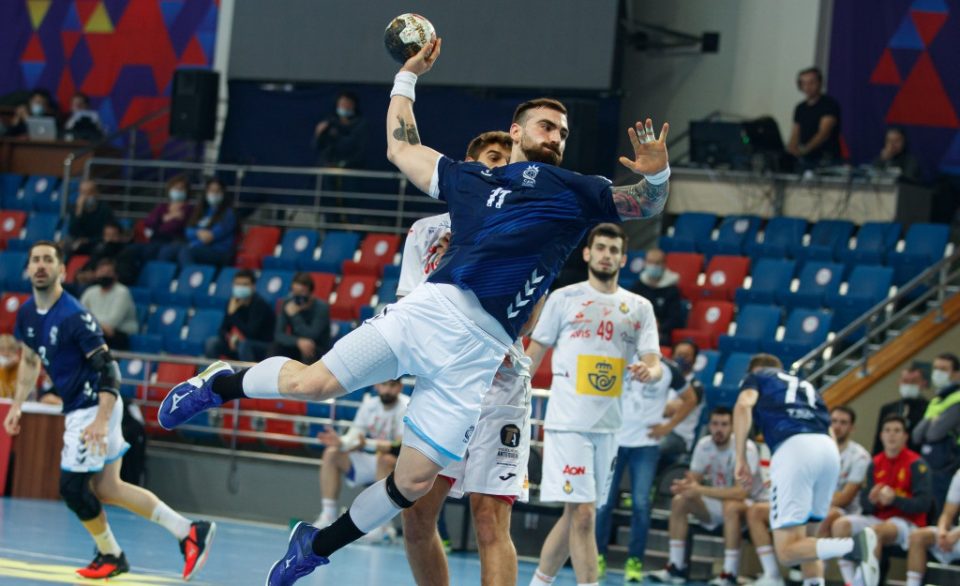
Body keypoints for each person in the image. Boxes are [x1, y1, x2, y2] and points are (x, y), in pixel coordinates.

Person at [156, 39, 671, 586]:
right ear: (516, 132)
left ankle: (315, 545)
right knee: (314, 384)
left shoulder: (575, 191)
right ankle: (221, 384)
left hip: (483, 351)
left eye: (563, 132)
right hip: (429, 311)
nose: (557, 137)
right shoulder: (470, 179)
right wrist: (406, 76)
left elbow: (641, 203)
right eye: (547, 126)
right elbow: (403, 148)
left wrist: (657, 177)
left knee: (413, 483)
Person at [2, 241, 215, 580]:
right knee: (108, 489)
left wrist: (100, 421)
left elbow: (108, 371)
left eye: (48, 260)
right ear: (27, 269)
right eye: (35, 260)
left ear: (61, 270)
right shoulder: (28, 313)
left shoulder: (74, 315)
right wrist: (17, 404)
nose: (41, 266)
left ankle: (112, 555)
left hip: (94, 406)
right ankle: (188, 530)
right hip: (80, 408)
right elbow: (29, 360)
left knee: (73, 488)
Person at [398, 129, 534, 586]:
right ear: (468, 167)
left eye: (507, 160)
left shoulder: (526, 222)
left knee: (489, 520)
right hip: (444, 384)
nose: (499, 167)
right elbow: (410, 307)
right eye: (491, 158)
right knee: (416, 516)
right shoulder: (426, 231)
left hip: (499, 386)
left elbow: (529, 314)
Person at [526, 222, 662, 586]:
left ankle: (539, 582)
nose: (606, 255)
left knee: (576, 515)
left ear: (622, 258)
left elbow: (654, 360)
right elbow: (534, 353)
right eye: (600, 248)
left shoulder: (639, 307)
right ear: (587, 253)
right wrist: (511, 396)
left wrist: (650, 370)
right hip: (568, 422)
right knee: (584, 514)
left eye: (614, 250)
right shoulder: (564, 299)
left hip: (609, 427)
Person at [733, 354, 875, 586]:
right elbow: (826, 428)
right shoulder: (805, 385)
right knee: (809, 541)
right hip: (828, 452)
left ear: (755, 370)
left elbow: (743, 405)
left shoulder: (757, 377)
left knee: (787, 552)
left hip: (793, 448)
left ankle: (853, 547)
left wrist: (740, 457)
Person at [745, 405, 871, 586]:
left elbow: (844, 498)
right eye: (833, 421)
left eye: (843, 423)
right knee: (758, 512)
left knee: (793, 547)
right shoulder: (809, 447)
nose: (837, 426)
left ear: (852, 428)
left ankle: (851, 549)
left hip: (841, 511)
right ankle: (773, 576)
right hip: (806, 504)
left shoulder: (858, 456)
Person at [595, 353, 691, 583]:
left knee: (641, 504)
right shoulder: (619, 357)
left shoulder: (667, 369)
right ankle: (597, 556)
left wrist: (668, 427)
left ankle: (634, 560)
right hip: (615, 441)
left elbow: (691, 399)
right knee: (603, 503)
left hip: (646, 444)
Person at [648, 407, 765, 586]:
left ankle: (729, 573)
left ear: (733, 427)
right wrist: (683, 486)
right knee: (680, 501)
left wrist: (700, 490)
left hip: (748, 507)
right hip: (718, 503)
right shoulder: (704, 445)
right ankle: (676, 568)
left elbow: (741, 492)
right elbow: (693, 479)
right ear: (709, 425)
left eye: (724, 424)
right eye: (715, 424)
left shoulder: (746, 448)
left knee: (731, 506)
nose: (719, 429)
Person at [832, 414, 932, 586]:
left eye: (897, 431)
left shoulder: (917, 463)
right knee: (840, 525)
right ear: (881, 436)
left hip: (907, 522)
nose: (892, 435)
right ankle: (850, 581)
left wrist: (895, 499)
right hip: (878, 518)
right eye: (887, 431)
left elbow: (924, 504)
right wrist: (872, 500)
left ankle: (864, 583)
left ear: (905, 436)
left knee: (873, 533)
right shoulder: (875, 462)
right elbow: (864, 503)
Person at [315, 379, 410, 544]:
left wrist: (368, 444)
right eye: (384, 385)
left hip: (397, 465)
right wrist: (341, 442)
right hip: (371, 459)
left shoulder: (406, 406)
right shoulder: (369, 405)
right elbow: (355, 435)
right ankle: (328, 514)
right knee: (332, 454)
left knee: (384, 459)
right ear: (377, 385)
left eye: (392, 386)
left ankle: (383, 526)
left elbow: (398, 445)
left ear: (400, 387)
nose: (387, 390)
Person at [116, 175, 193, 285]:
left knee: (158, 253)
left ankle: (154, 283)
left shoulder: (188, 209)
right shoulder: (163, 206)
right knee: (130, 250)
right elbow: (148, 222)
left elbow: (171, 228)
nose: (178, 191)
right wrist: (166, 218)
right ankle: (125, 280)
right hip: (154, 241)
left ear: (187, 191)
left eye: (181, 189)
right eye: (175, 188)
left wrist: (161, 222)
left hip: (172, 241)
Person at [912, 352, 960, 514]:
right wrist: (934, 419)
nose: (938, 372)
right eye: (936, 368)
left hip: (950, 464)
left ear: (956, 374)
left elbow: (934, 434)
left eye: (943, 369)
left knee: (941, 512)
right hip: (930, 464)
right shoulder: (936, 400)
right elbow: (917, 435)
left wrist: (931, 423)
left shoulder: (958, 398)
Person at [161, 178, 239, 268]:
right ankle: (166, 279)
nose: (214, 193)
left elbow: (210, 237)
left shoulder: (229, 214)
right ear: (206, 193)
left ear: (223, 194)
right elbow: (188, 231)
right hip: (198, 246)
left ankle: (189, 278)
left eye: (218, 191)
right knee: (167, 250)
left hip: (219, 251)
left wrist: (193, 243)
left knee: (187, 251)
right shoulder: (202, 211)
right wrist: (197, 233)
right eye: (211, 190)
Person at [204, 269, 274, 363]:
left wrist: (233, 314)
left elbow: (251, 333)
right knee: (212, 343)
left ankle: (248, 376)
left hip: (262, 346)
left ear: (253, 286)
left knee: (244, 345)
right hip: (241, 343)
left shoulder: (260, 305)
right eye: (237, 284)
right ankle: (213, 374)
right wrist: (230, 338)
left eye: (245, 284)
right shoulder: (233, 301)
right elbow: (223, 329)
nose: (240, 287)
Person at [905, 467, 960, 586]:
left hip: (957, 535)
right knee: (917, 537)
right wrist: (942, 532)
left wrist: (956, 534)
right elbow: (947, 514)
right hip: (953, 536)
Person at [658, 339, 704, 469]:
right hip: (655, 428)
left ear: (694, 360)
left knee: (650, 446)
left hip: (678, 436)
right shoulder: (663, 381)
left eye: (686, 355)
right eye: (678, 354)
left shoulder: (696, 387)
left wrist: (650, 405)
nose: (681, 359)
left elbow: (668, 411)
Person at [787, 67, 842, 171]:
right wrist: (791, 151)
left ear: (820, 83)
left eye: (812, 82)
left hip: (826, 160)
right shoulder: (800, 108)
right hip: (805, 159)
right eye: (804, 83)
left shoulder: (829, 105)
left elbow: (823, 134)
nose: (808, 87)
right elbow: (795, 133)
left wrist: (803, 150)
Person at [271, 272, 331, 363]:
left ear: (310, 293)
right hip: (297, 345)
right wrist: (297, 341)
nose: (297, 297)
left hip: (318, 348)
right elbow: (278, 334)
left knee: (308, 347)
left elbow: (312, 335)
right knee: (276, 346)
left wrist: (295, 316)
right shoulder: (287, 303)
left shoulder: (321, 307)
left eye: (301, 293)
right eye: (295, 292)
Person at [79, 258, 138, 350]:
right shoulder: (90, 291)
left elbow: (111, 323)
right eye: (101, 272)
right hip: (96, 331)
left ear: (115, 275)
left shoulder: (122, 292)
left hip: (119, 335)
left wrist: (90, 321)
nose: (104, 275)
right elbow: (79, 315)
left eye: (108, 272)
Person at [629, 248, 683, 345]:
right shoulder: (638, 286)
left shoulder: (672, 290)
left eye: (657, 263)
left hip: (661, 332)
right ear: (645, 263)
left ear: (664, 265)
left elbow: (675, 318)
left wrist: (657, 327)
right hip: (638, 328)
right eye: (650, 262)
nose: (653, 266)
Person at [873, 363, 930, 454]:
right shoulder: (888, 409)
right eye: (905, 381)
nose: (909, 385)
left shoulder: (929, 408)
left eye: (914, 382)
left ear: (923, 383)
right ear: (899, 382)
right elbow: (879, 440)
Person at [314, 91, 368, 169]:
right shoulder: (329, 122)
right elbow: (317, 146)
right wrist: (318, 133)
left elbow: (356, 148)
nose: (345, 107)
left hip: (351, 170)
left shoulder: (360, 124)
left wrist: (337, 135)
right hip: (327, 169)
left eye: (348, 104)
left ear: (354, 106)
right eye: (342, 104)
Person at [66, 180, 117, 256]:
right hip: (79, 241)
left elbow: (107, 234)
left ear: (95, 193)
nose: (84, 197)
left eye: (88, 193)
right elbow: (72, 232)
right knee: (66, 245)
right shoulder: (75, 209)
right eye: (82, 193)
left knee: (102, 248)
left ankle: (91, 267)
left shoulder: (104, 209)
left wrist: (89, 241)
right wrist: (78, 212)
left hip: (96, 241)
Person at [0, 334, 20, 398]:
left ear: (15, 350)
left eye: (10, 349)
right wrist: (5, 367)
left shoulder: (20, 366)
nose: (6, 353)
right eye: (2, 349)